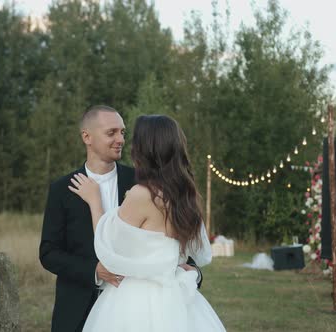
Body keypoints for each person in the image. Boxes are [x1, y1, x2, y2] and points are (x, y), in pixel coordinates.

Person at [39, 106, 202, 332]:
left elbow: (175, 242)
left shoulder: (144, 184)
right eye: (111, 133)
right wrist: (94, 271)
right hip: (77, 308)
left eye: (123, 133)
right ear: (87, 137)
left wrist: (191, 274)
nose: (120, 140)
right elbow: (48, 253)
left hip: (139, 312)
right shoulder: (62, 189)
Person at [68, 114, 225, 331]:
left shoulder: (143, 195)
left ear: (145, 150)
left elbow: (111, 247)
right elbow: (197, 252)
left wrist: (95, 201)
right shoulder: (186, 195)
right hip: (177, 297)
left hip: (137, 298)